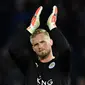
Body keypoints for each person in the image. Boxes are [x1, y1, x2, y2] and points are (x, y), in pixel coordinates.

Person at [9, 5, 71, 85]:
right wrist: (31, 28)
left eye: (43, 42)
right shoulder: (30, 66)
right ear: (33, 48)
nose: (40, 46)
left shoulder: (61, 65)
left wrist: (52, 26)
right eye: (36, 44)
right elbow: (13, 49)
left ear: (51, 42)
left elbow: (65, 49)